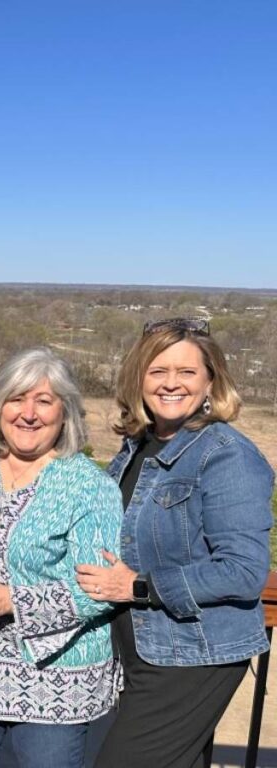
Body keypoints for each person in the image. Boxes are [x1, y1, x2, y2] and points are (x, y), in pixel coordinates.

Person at [75, 318, 274, 768]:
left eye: (186, 372)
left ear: (211, 381)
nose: (171, 384)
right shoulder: (136, 448)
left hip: (191, 657)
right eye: (157, 371)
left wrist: (138, 587)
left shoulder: (225, 455)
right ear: (138, 379)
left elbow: (244, 571)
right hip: (136, 650)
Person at [0, 347, 123, 768]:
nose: (28, 413)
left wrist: (10, 601)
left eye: (44, 401)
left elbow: (99, 590)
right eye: (17, 398)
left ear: (65, 412)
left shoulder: (88, 486)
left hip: (58, 680)